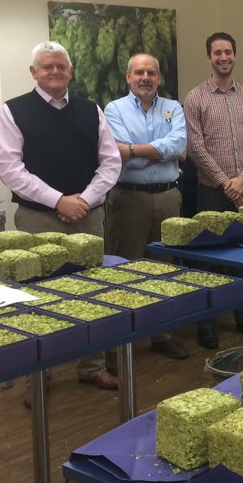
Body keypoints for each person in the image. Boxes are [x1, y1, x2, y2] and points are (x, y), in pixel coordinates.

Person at [0, 41, 122, 398]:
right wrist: (58, 200)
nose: (55, 72)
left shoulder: (91, 110)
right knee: (37, 297)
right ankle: (37, 376)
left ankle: (92, 366)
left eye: (61, 66)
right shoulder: (13, 111)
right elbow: (9, 168)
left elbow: (111, 162)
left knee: (93, 293)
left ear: (71, 72)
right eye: (47, 66)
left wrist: (84, 200)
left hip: (88, 216)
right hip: (38, 219)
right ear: (34, 72)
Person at [104, 53, 188, 359]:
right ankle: (119, 345)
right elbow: (117, 153)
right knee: (124, 270)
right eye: (139, 72)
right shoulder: (114, 109)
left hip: (168, 197)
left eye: (151, 73)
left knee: (164, 270)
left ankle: (161, 334)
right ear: (128, 77)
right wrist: (159, 152)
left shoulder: (173, 107)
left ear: (159, 78)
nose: (145, 78)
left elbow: (178, 145)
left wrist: (133, 150)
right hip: (129, 199)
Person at [184, 32, 243, 347]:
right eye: (217, 53)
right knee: (208, 260)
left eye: (228, 52)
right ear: (209, 57)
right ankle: (207, 323)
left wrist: (242, 179)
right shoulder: (195, 98)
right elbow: (196, 148)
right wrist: (225, 182)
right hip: (212, 192)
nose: (223, 58)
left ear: (235, 55)